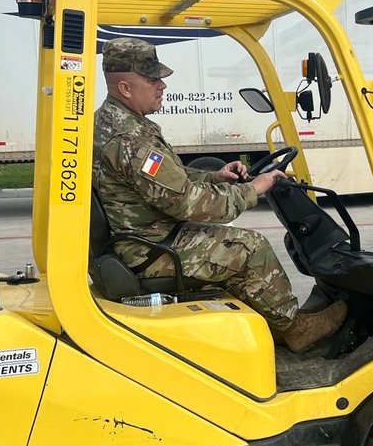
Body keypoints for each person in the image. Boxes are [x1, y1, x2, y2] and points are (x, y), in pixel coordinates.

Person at [92, 37, 347, 353]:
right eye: (152, 79)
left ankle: (276, 322)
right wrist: (253, 189)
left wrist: (214, 176)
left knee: (229, 247)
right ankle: (296, 330)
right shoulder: (131, 139)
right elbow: (188, 203)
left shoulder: (113, 122)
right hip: (149, 251)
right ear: (125, 88)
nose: (162, 86)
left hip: (146, 236)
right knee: (251, 247)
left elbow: (165, 180)